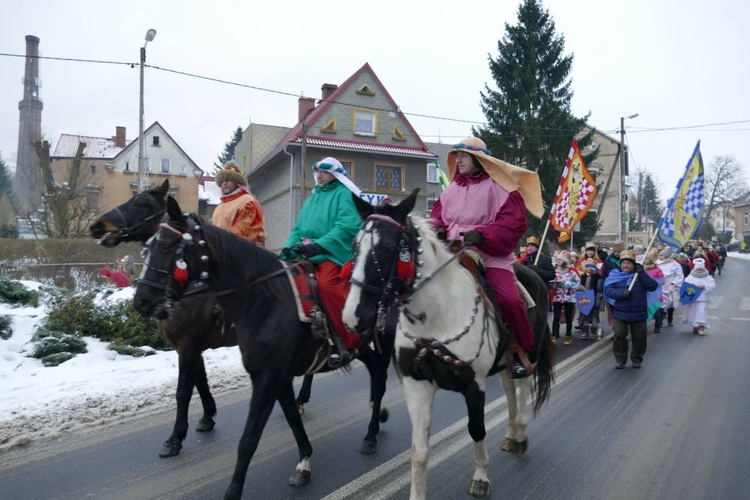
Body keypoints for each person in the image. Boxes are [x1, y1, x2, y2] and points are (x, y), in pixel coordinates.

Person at [429, 137, 544, 378]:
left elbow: (514, 222)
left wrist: (482, 235)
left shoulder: (502, 188)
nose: (458, 160)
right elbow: (437, 217)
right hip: (451, 252)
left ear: (479, 160)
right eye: (456, 156)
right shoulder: (451, 189)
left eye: (463, 156)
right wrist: (433, 229)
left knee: (510, 300)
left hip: (489, 256)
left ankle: (521, 349)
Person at [280, 157, 363, 365]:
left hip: (332, 253)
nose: (319, 175)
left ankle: (345, 340)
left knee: (327, 285)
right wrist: (287, 249)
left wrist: (319, 246)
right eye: (317, 172)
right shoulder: (312, 198)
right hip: (306, 252)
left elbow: (346, 226)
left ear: (335, 174)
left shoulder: (345, 194)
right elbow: (298, 228)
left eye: (324, 172)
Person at [603, 250, 658, 369]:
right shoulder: (615, 274)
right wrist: (622, 293)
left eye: (628, 263)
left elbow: (652, 286)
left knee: (639, 337)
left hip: (638, 312)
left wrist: (642, 273)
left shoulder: (640, 274)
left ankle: (637, 358)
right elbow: (608, 290)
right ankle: (620, 359)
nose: (626, 265)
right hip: (620, 313)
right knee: (619, 335)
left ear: (633, 264)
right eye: (623, 263)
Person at [212, 161, 266, 246]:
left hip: (246, 253)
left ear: (237, 183)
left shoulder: (247, 201)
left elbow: (244, 232)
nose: (225, 183)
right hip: (223, 252)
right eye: (222, 181)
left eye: (229, 180)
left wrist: (221, 245)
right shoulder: (219, 207)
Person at [550, 251, 580, 346]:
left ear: (565, 261)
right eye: (558, 259)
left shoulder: (572, 273)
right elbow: (550, 282)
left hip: (569, 298)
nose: (558, 261)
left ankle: (568, 336)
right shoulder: (553, 272)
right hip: (557, 297)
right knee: (556, 317)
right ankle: (554, 336)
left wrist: (564, 284)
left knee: (568, 317)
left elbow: (577, 285)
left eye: (560, 259)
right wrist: (552, 284)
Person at [681, 258, 716, 335]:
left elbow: (713, 285)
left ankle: (701, 327)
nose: (700, 271)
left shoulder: (707, 277)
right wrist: (693, 287)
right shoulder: (690, 276)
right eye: (698, 269)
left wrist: (705, 286)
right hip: (693, 298)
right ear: (695, 269)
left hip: (703, 298)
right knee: (693, 312)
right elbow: (686, 285)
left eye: (701, 269)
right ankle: (695, 325)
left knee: (701, 312)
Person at [657, 247, 684, 328]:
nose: (660, 257)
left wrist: (674, 283)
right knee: (661, 302)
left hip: (671, 284)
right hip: (661, 285)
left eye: (662, 255)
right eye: (660, 255)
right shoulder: (658, 263)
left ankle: (670, 319)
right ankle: (660, 319)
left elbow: (679, 275)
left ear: (667, 256)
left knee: (671, 302)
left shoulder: (675, 264)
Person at [577, 258, 601, 339]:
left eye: (589, 267)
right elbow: (580, 285)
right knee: (585, 315)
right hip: (585, 298)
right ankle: (585, 331)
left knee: (594, 315)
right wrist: (580, 287)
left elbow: (599, 288)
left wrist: (599, 298)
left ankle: (594, 330)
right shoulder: (583, 276)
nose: (587, 269)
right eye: (586, 267)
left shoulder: (597, 277)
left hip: (594, 297)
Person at [642, 257, 665, 333]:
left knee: (655, 310)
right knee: (645, 310)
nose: (647, 265)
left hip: (654, 293)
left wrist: (652, 282)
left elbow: (662, 280)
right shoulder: (642, 271)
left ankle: (657, 324)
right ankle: (643, 327)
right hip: (645, 293)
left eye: (648, 263)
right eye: (645, 263)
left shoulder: (657, 270)